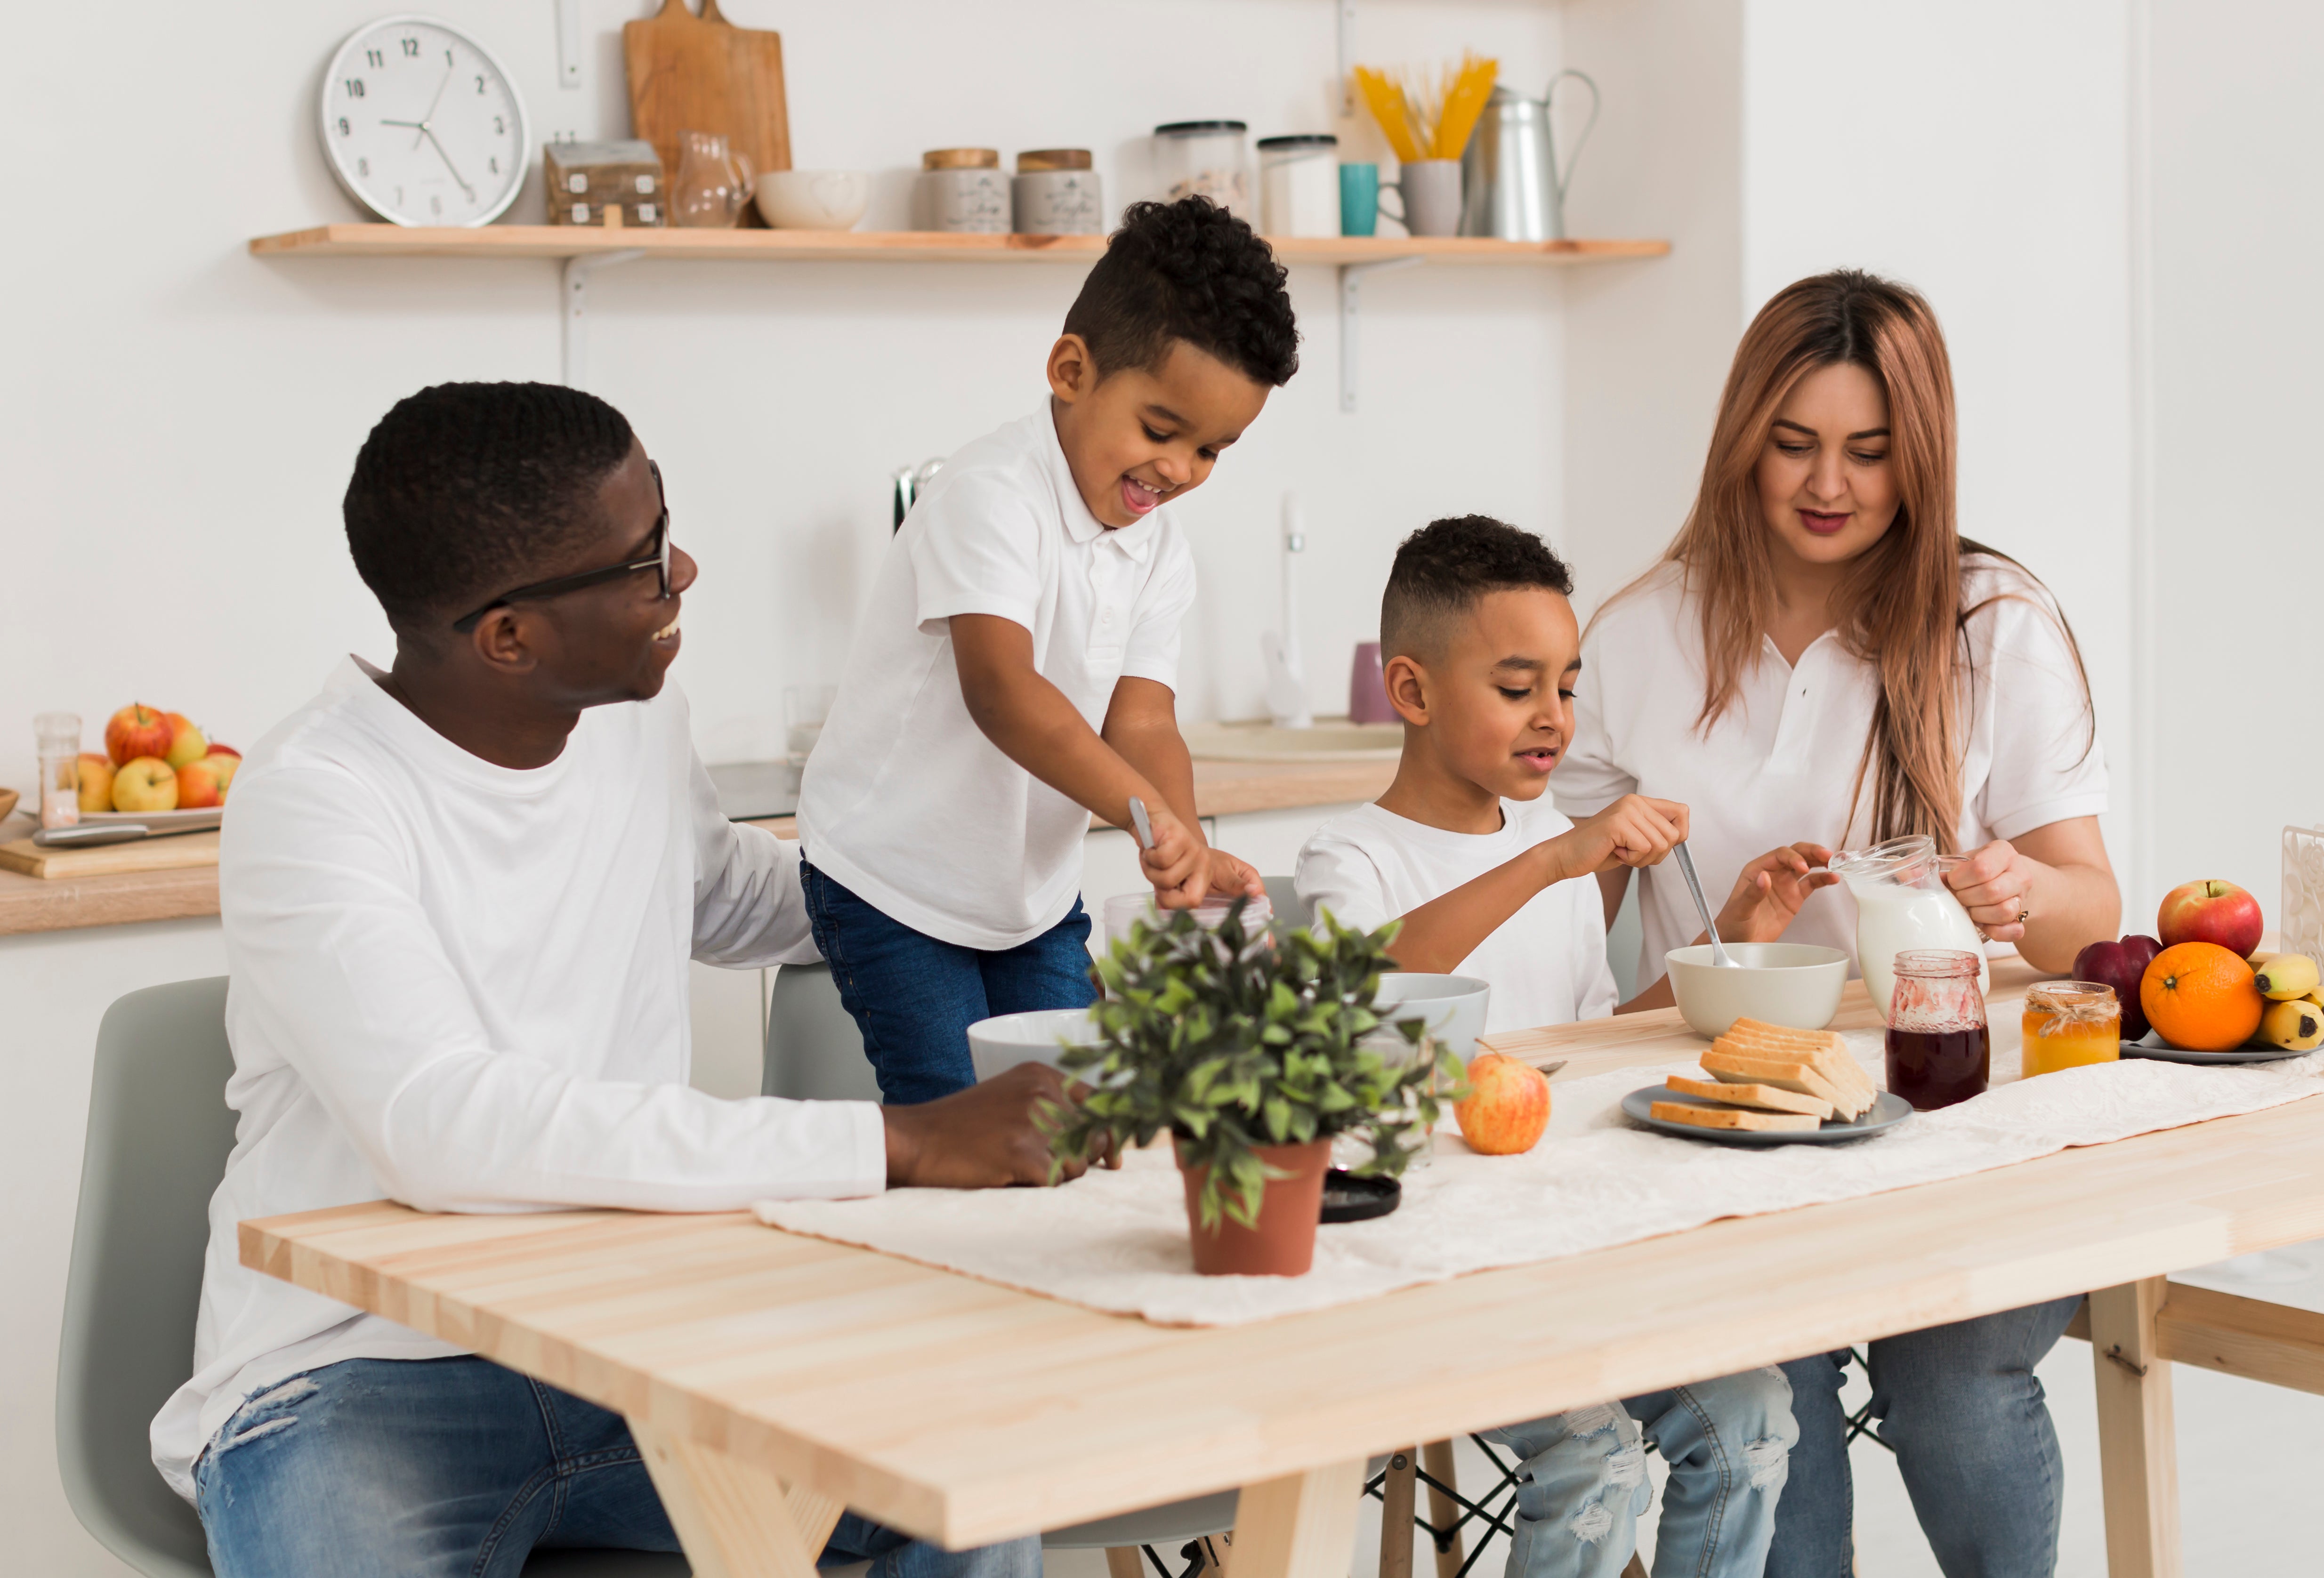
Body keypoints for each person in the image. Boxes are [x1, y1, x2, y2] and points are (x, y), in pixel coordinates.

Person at [156, 381, 1093, 1578]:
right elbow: (447, 1128)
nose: (686, 568)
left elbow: (743, 896)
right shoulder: (317, 797)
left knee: (979, 1465)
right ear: (511, 635)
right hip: (353, 1378)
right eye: (647, 559)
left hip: (639, 1341)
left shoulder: (633, 724)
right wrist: (898, 1141)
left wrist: (1005, 898)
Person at [1552, 271, 2118, 1577]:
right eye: (1792, 443)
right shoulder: (1641, 635)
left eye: (1869, 452)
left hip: (1951, 1109)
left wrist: (2021, 896)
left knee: (1951, 1382)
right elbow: (1565, 910)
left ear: (1918, 456)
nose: (1828, 485)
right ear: (1741, 438)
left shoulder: (1994, 626)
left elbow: (2094, 908)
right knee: (1774, 1392)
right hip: (1730, 1122)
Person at [1295, 516, 1818, 1578]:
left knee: (1757, 1414)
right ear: (1413, 690)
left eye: (1569, 687)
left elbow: (1593, 1043)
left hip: (1566, 1239)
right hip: (1428, 1267)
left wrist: (1739, 931)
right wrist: (1553, 863)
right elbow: (1365, 991)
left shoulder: (1547, 848)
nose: (1555, 718)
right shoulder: (1351, 854)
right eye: (1518, 685)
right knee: (1595, 1457)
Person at [796, 196, 1295, 1103]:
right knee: (963, 1121)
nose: (1180, 469)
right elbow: (1006, 696)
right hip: (893, 883)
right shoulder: (990, 495)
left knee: (1075, 1118)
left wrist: (1180, 841)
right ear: (1072, 370)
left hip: (1026, 897)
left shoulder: (1158, 548)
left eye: (1214, 450)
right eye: (1160, 430)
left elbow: (1142, 718)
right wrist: (1151, 816)